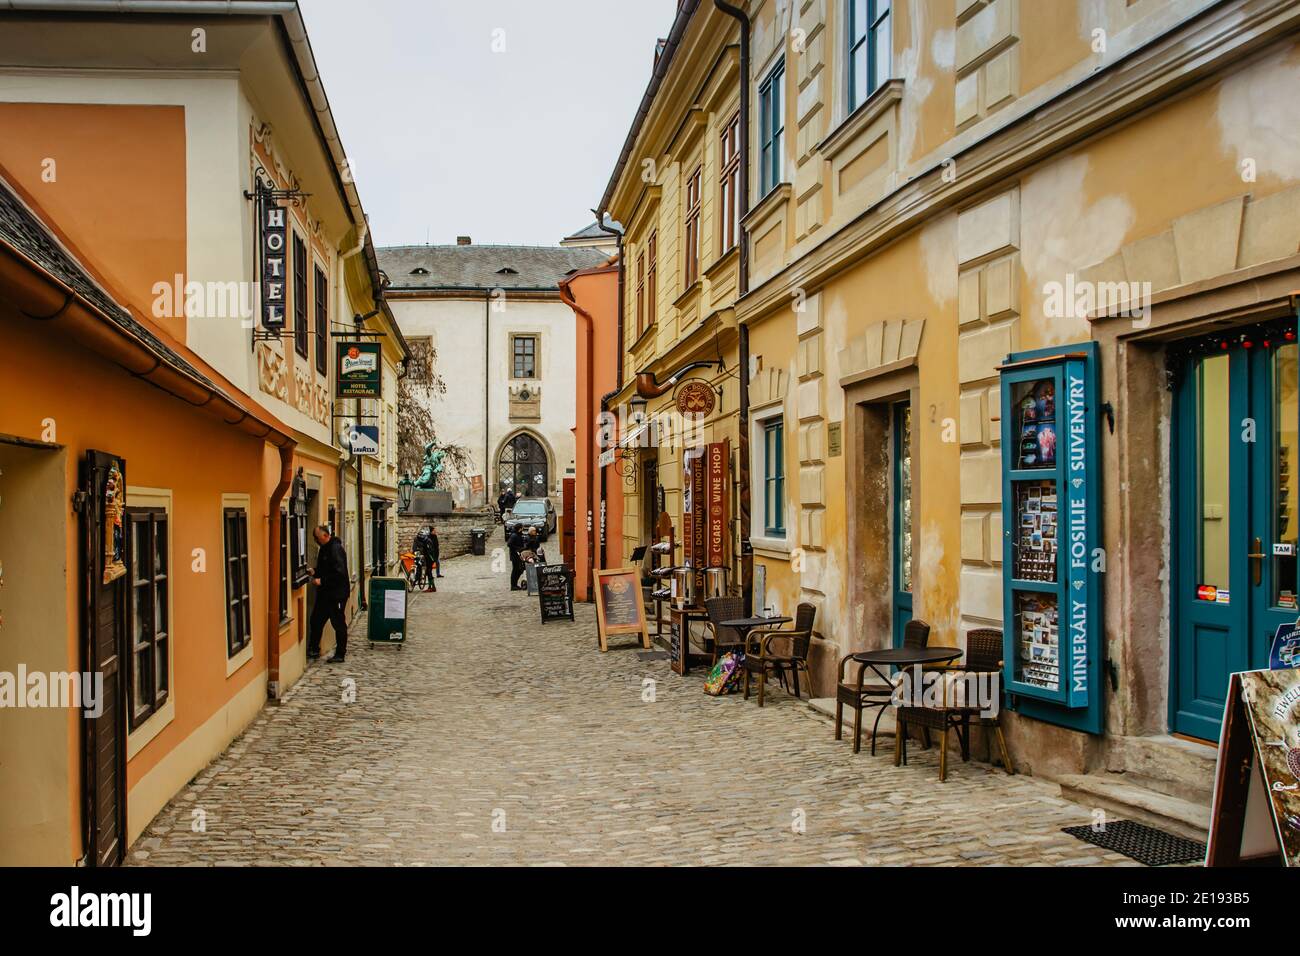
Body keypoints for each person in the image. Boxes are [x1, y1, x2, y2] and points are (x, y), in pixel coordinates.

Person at [307, 524, 350, 663]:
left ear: (325, 536)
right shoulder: (325, 549)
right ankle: (314, 649)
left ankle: (340, 654)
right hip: (326, 594)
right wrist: (315, 571)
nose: (316, 541)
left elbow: (339, 573)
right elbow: (326, 569)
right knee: (316, 620)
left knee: (338, 624)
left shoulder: (335, 549)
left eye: (317, 538)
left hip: (336, 594)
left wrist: (322, 581)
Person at [413, 525, 436, 592]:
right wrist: (416, 554)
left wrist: (429, 558)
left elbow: (430, 551)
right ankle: (417, 579)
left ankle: (432, 587)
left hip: (429, 558)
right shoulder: (417, 539)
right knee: (420, 568)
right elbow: (415, 548)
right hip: (422, 555)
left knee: (429, 572)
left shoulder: (428, 541)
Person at [507, 524, 528, 591]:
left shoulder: (518, 535)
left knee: (519, 570)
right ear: (519, 528)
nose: (523, 529)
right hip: (515, 555)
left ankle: (515, 585)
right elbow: (509, 544)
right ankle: (513, 585)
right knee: (515, 570)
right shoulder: (514, 535)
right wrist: (518, 549)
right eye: (522, 528)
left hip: (518, 555)